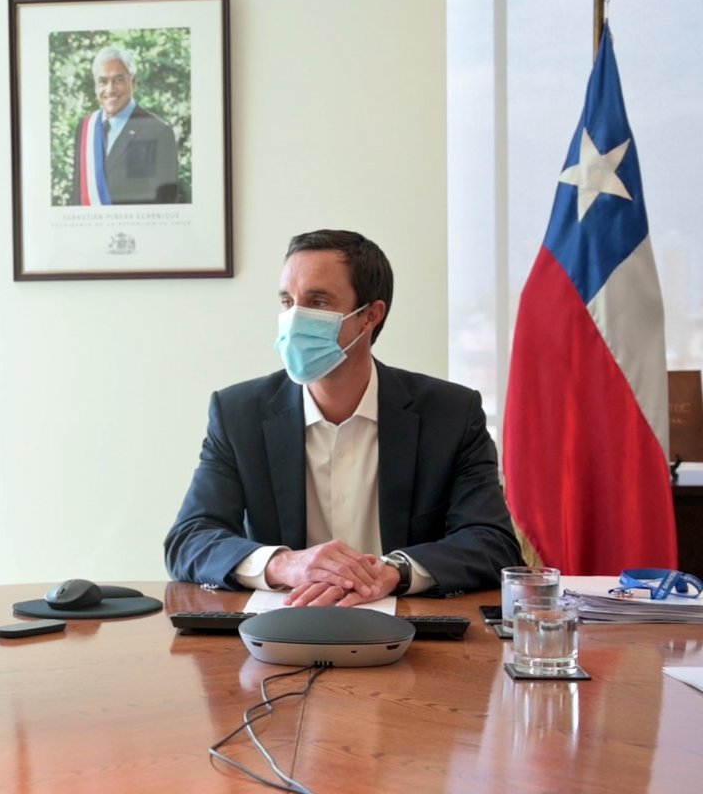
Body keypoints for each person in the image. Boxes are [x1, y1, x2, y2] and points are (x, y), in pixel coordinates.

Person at [164, 230, 523, 605]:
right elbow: (190, 539)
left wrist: (392, 572)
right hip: (280, 623)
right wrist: (285, 565)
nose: (294, 319)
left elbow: (491, 542)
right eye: (288, 301)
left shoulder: (450, 413)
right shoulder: (239, 413)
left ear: (370, 315)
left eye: (317, 302)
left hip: (409, 631)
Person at [71, 45, 180, 205]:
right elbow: (78, 194)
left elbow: (166, 203)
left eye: (119, 80)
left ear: (133, 82)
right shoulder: (85, 127)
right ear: (95, 86)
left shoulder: (158, 131)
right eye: (103, 81)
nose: (110, 89)